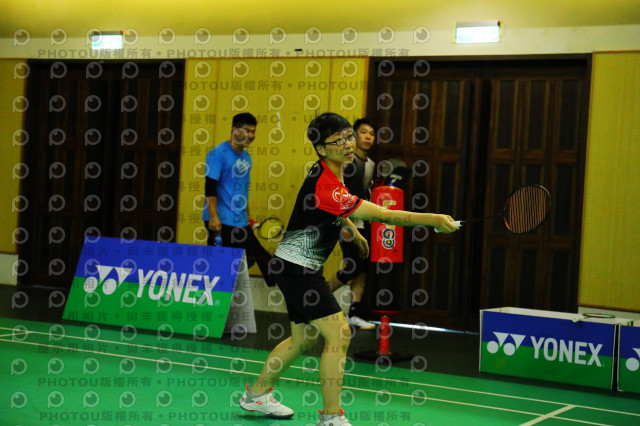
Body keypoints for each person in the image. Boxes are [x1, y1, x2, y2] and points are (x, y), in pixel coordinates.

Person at [238, 112, 459, 425]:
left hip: (296, 266)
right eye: (338, 140)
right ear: (321, 149)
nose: (347, 143)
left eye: (348, 136)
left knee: (302, 340)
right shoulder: (326, 184)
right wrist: (433, 219)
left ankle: (257, 395)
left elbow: (333, 210)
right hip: (298, 269)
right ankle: (331, 416)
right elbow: (383, 214)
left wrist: (352, 231)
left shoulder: (331, 170)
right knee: (340, 333)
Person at [203, 112, 276, 287]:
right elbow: (210, 187)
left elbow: (242, 189)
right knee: (223, 264)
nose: (251, 135)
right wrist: (213, 217)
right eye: (247, 130)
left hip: (240, 219)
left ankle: (281, 281)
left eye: (253, 131)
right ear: (234, 130)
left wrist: (248, 217)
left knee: (251, 256)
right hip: (221, 220)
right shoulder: (217, 154)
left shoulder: (246, 157)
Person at [328, 118, 377, 330]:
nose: (368, 137)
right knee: (353, 267)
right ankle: (317, 297)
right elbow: (338, 194)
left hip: (365, 223)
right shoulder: (347, 162)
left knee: (363, 269)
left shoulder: (371, 165)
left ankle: (354, 315)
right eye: (363, 132)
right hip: (346, 223)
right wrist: (344, 224)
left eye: (372, 134)